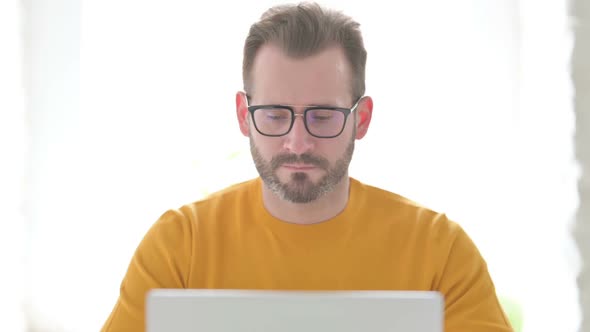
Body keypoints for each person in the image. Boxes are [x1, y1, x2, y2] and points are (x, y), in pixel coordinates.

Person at [101, 2, 513, 331]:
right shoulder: (180, 246)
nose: (298, 142)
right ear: (244, 116)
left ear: (362, 119)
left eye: (323, 116)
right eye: (276, 115)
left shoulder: (440, 251)